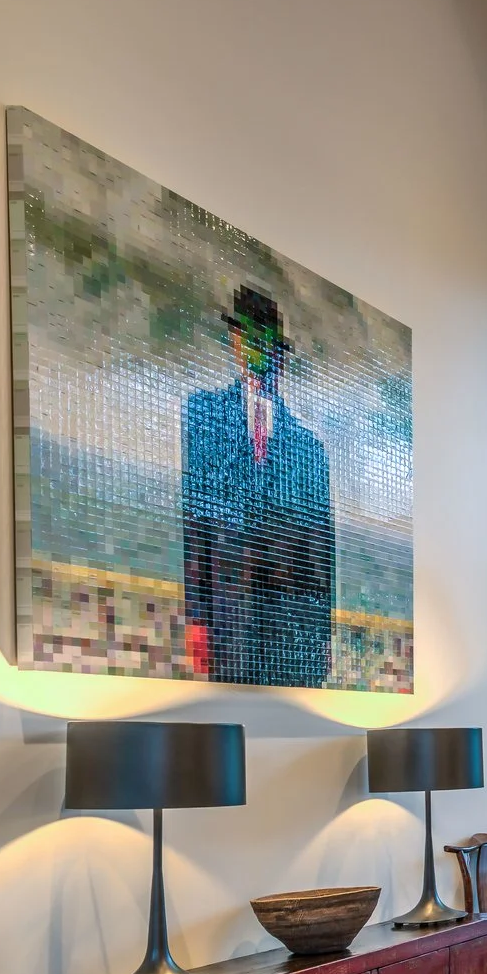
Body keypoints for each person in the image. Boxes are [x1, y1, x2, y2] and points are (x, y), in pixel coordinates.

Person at [180, 287, 334, 686]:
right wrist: (197, 618)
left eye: (268, 345)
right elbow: (197, 523)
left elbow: (319, 546)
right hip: (231, 615)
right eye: (249, 339)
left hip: (293, 620)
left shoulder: (310, 449)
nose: (259, 355)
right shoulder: (204, 414)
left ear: (281, 355)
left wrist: (323, 633)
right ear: (235, 342)